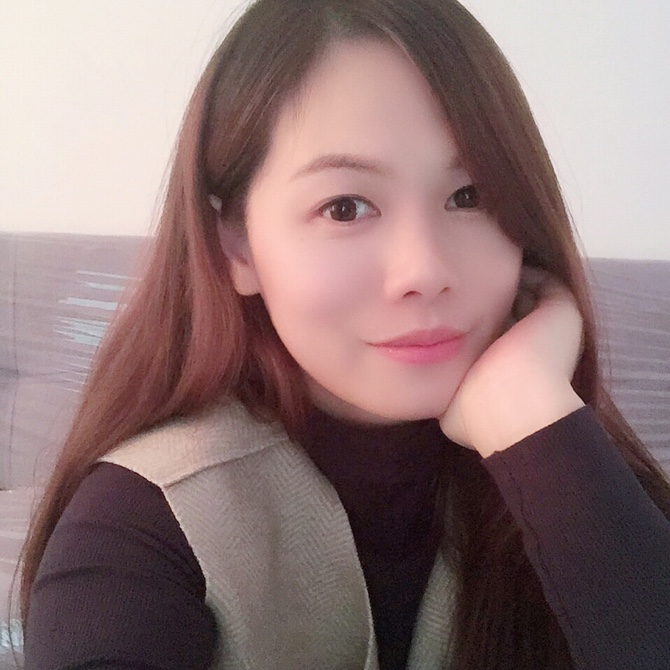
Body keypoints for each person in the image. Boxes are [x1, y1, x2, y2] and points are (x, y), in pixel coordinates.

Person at [19, 0, 670, 668]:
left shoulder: (572, 457)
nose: (424, 271)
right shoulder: (143, 524)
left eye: (470, 196)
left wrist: (530, 413)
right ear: (235, 245)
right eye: (345, 207)